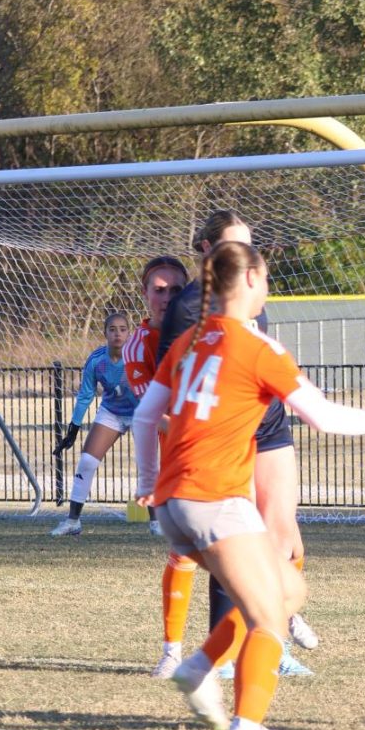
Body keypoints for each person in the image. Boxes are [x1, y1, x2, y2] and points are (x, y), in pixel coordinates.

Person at [133, 240, 365, 730]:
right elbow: (327, 418)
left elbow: (145, 416)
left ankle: (198, 667)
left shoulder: (189, 343)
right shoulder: (258, 347)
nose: (268, 288)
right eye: (264, 278)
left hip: (176, 502)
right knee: (269, 618)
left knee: (288, 590)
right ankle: (246, 728)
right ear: (247, 282)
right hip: (215, 497)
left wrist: (147, 483)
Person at [156, 210, 319, 678]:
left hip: (271, 427)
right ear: (208, 251)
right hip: (231, 432)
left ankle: (274, 637)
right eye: (235, 244)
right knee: (237, 544)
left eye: (250, 244)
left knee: (283, 536)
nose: (247, 255)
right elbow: (173, 394)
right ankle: (226, 654)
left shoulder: (252, 293)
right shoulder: (192, 307)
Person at [122, 255, 202, 679]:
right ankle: (173, 652)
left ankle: (275, 635)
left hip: (231, 454)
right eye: (159, 289)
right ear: (145, 294)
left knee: (279, 541)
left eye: (176, 290)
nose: (167, 298)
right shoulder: (139, 345)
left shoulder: (208, 331)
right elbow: (154, 413)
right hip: (183, 459)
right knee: (185, 552)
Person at [51, 312, 138, 535]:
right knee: (87, 462)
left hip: (141, 412)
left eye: (122, 329)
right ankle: (73, 521)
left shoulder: (139, 355)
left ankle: (156, 522)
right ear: (105, 333)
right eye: (112, 329)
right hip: (111, 413)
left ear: (129, 332)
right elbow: (85, 394)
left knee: (149, 467)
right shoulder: (96, 360)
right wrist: (73, 429)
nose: (118, 333)